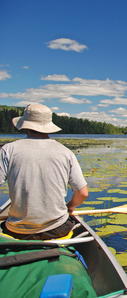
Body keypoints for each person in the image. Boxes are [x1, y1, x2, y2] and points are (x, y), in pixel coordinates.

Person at [0, 103, 88, 240]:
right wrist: (69, 207)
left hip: (16, 230)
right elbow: (82, 193)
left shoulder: (8, 150)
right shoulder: (65, 152)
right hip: (56, 229)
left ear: (25, 125)